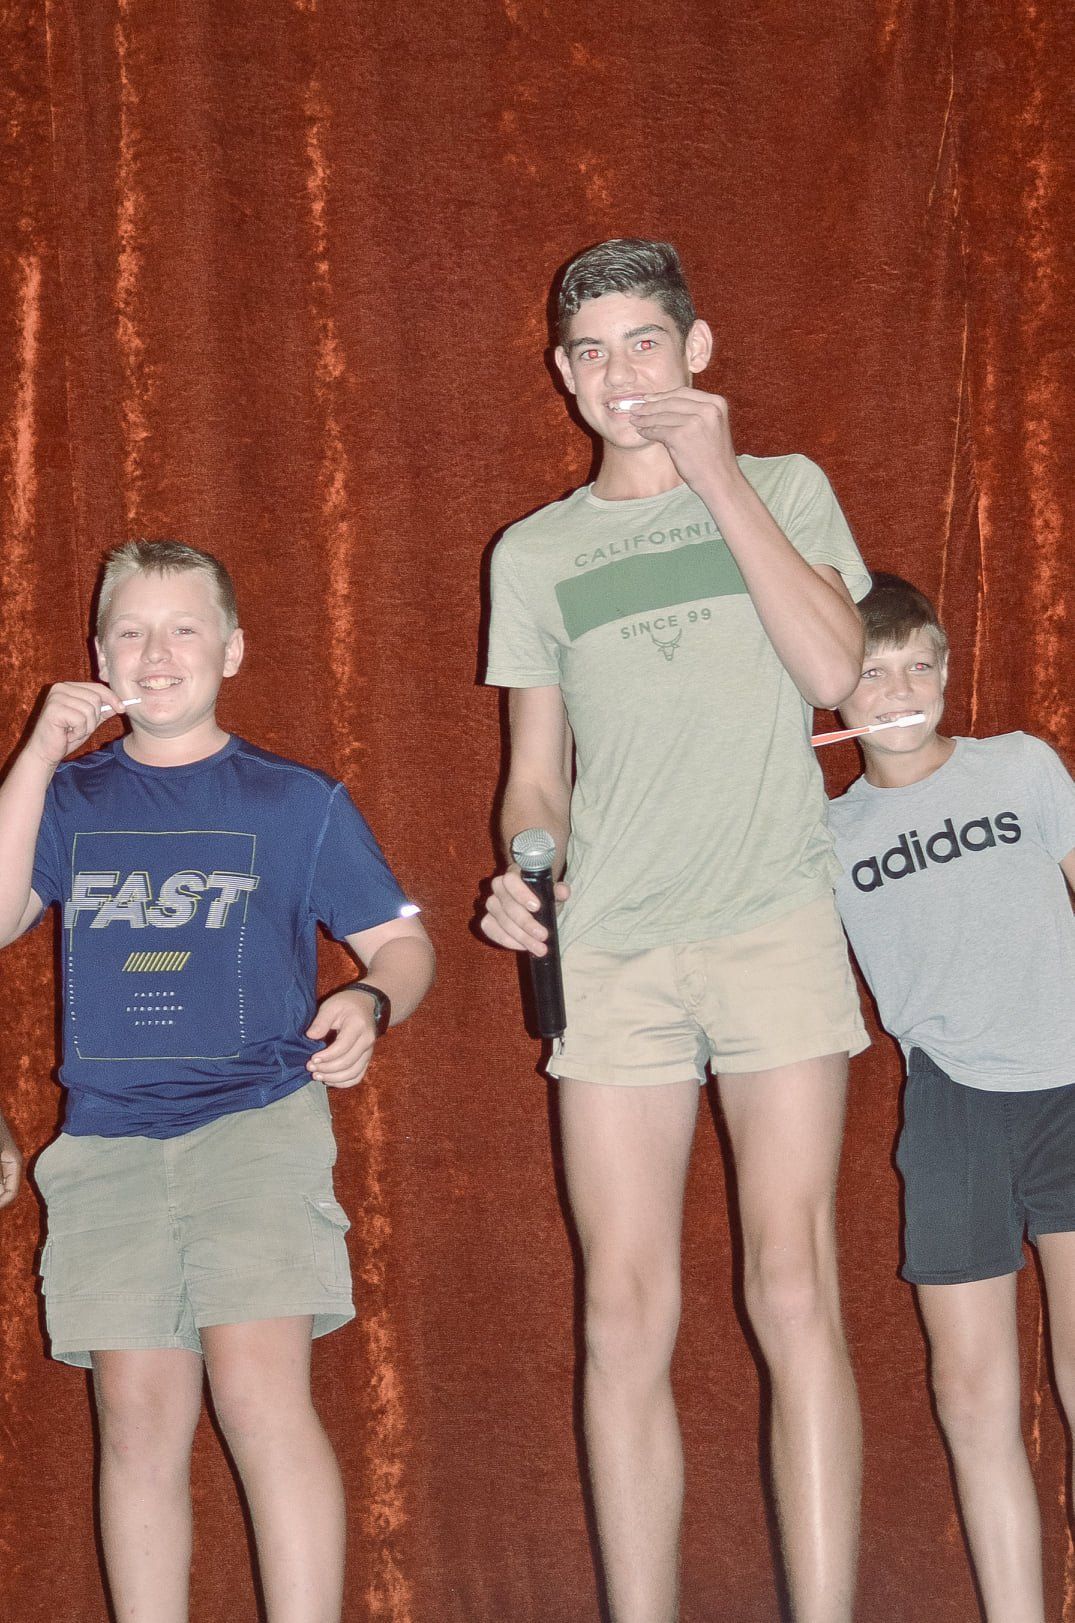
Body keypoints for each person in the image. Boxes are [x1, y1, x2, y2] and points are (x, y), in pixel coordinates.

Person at [480, 238, 870, 1623]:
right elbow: (535, 773)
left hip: (771, 922)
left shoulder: (786, 488)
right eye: (588, 353)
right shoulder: (534, 552)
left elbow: (836, 670)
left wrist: (717, 479)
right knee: (621, 1310)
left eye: (642, 342)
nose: (617, 374)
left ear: (695, 350)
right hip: (614, 953)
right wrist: (526, 864)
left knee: (792, 1283)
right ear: (560, 373)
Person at [0, 539, 434, 1623]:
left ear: (232, 650)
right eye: (131, 632)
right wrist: (37, 759)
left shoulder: (294, 800)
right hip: (106, 1147)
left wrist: (370, 999)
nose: (157, 652)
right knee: (137, 1422)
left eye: (183, 628)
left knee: (260, 1401)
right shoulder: (70, 799)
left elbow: (403, 943)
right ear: (99, 654)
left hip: (255, 1130)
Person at [828, 572, 1075, 1623]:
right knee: (971, 1398)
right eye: (869, 673)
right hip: (951, 1112)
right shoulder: (823, 838)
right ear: (829, 690)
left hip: (1068, 1085)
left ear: (944, 666)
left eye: (915, 665)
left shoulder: (1019, 765)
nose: (896, 691)